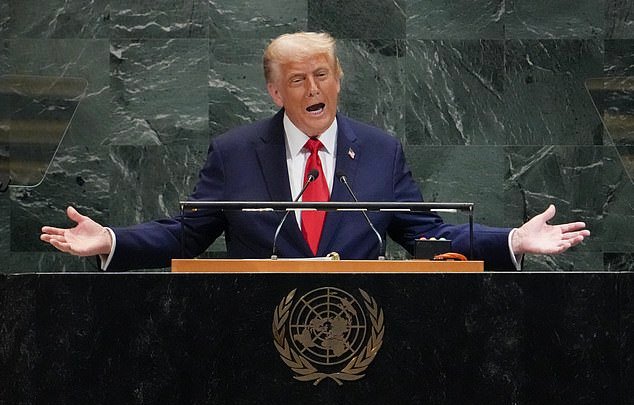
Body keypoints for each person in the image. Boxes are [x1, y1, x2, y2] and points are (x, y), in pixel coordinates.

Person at [40, 32, 590, 271]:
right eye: (298, 80)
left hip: (361, 330)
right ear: (275, 92)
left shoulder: (379, 152)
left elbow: (428, 236)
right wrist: (111, 240)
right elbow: (186, 235)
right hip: (250, 334)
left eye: (322, 75)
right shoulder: (235, 153)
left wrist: (512, 240)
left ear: (338, 80)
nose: (313, 90)